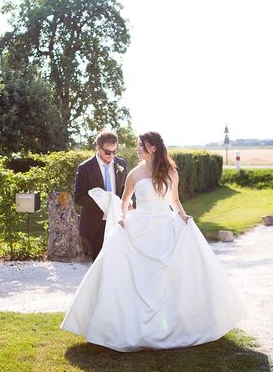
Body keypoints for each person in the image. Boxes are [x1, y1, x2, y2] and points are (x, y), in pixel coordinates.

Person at [61, 131, 247, 352]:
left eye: (141, 145)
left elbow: (175, 200)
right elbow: (125, 200)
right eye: (139, 144)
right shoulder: (134, 173)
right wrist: (121, 218)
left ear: (154, 147)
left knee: (170, 276)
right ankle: (129, 325)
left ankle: (173, 323)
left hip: (165, 226)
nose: (138, 148)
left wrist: (183, 216)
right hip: (139, 225)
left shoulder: (170, 172)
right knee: (131, 273)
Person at [74, 129, 128, 261]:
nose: (111, 155)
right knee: (99, 263)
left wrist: (129, 202)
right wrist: (105, 205)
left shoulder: (121, 164)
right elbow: (79, 197)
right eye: (108, 152)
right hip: (95, 224)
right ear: (98, 147)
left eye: (114, 151)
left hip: (118, 222)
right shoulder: (85, 168)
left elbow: (126, 189)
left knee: (118, 261)